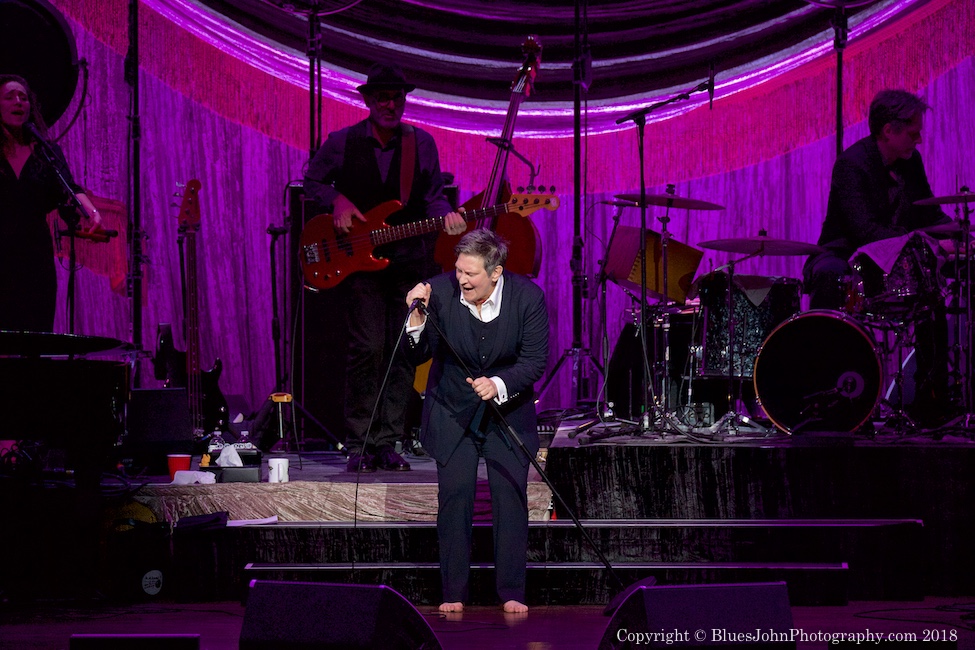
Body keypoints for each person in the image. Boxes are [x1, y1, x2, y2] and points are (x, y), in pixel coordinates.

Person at [303, 63, 465, 472]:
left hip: (409, 261)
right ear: (368, 101)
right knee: (367, 348)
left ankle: (387, 442)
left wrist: (448, 216)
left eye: (398, 97)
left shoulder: (421, 144)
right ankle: (359, 444)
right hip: (360, 263)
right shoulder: (342, 142)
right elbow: (313, 183)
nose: (391, 104)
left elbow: (433, 197)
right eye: (382, 97)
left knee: (403, 350)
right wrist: (336, 202)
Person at [404, 229, 549, 614]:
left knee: (509, 498)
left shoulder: (528, 298)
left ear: (496, 272)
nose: (461, 280)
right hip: (452, 410)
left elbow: (534, 361)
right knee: (455, 498)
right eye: (458, 271)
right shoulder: (438, 292)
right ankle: (453, 591)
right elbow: (414, 356)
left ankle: (512, 591)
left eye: (470, 274)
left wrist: (499, 383)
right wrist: (417, 315)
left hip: (508, 412)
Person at [803, 89, 951, 425]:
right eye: (913, 132)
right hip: (845, 253)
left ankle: (932, 398)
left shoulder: (910, 163)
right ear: (889, 130)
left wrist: (958, 233)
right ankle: (825, 393)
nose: (920, 139)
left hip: (894, 256)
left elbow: (927, 212)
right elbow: (863, 230)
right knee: (829, 275)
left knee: (933, 292)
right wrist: (925, 241)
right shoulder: (852, 165)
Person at [0, 74, 103, 332]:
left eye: (23, 97)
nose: (18, 101)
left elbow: (69, 188)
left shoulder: (45, 151)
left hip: (34, 257)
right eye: (10, 96)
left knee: (35, 337)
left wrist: (91, 212)